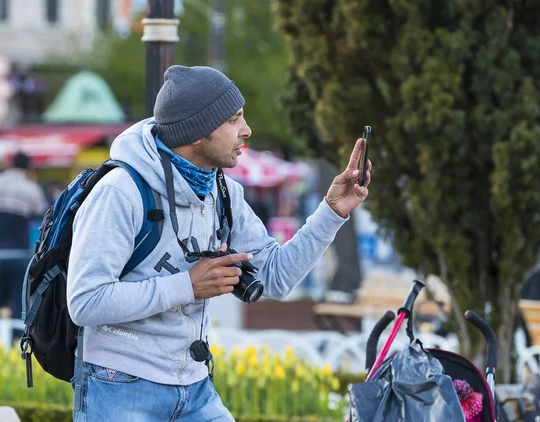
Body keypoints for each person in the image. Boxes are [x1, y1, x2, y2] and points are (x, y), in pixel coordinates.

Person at [66, 65, 371, 421]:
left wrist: (332, 212)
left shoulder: (223, 192)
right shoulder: (120, 191)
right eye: (233, 119)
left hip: (195, 387)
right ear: (197, 132)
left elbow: (275, 277)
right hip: (120, 384)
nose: (247, 131)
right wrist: (188, 285)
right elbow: (86, 301)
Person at [0, 152, 46, 320]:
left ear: (10, 163)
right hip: (20, 253)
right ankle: (15, 343)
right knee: (18, 303)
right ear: (28, 167)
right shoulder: (30, 188)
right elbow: (40, 211)